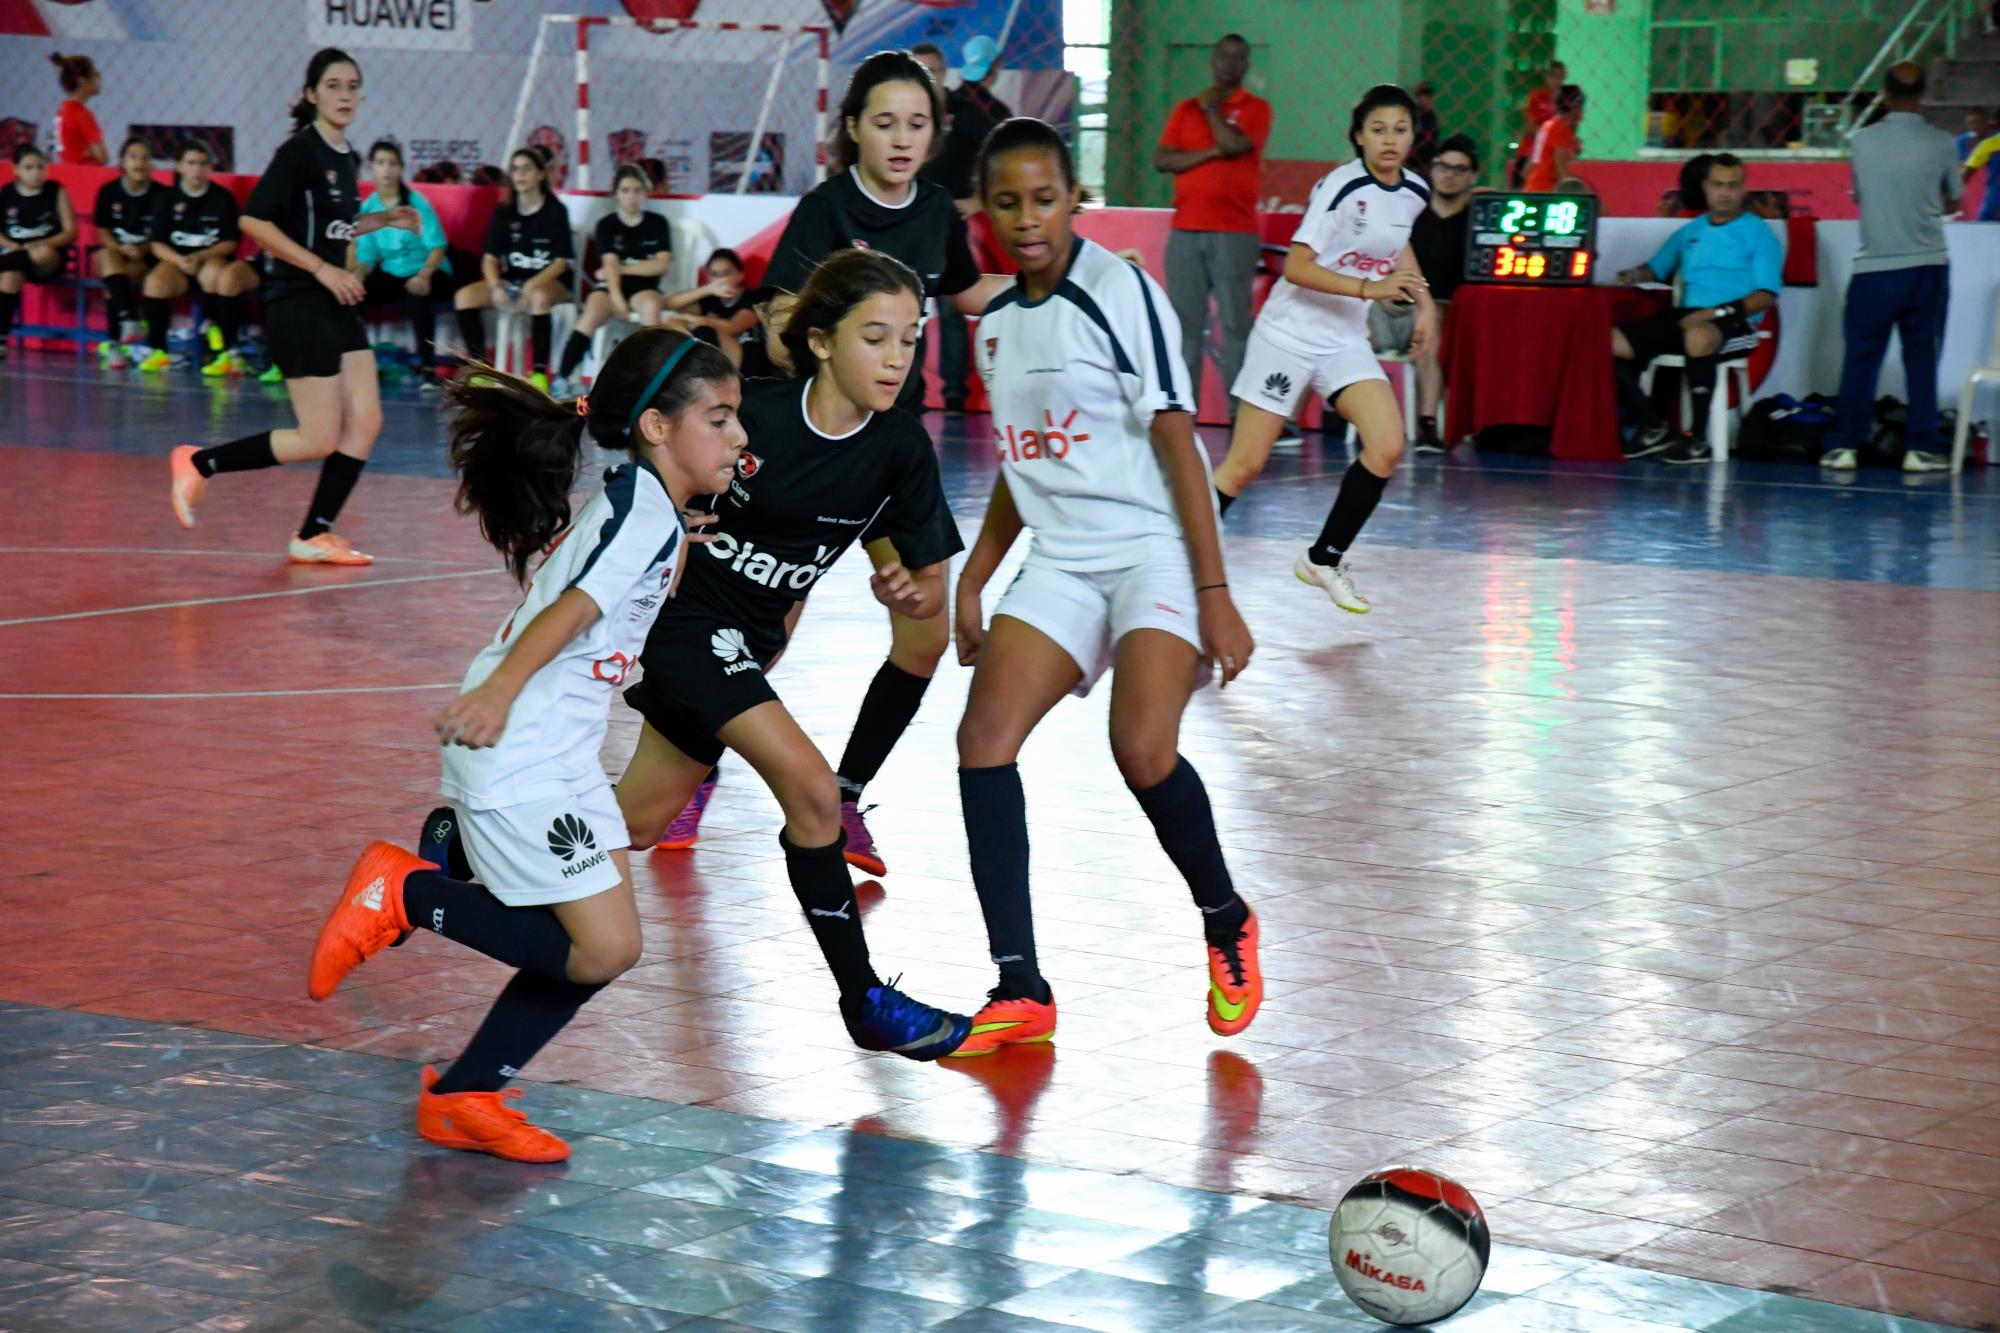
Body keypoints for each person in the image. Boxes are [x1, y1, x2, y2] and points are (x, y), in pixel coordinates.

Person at [307, 329, 744, 1163]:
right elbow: (574, 608)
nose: (738, 435)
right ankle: (408, 892)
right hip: (524, 751)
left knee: (601, 947)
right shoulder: (641, 512)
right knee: (604, 946)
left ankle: (465, 1092)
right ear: (657, 426)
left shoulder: (642, 502)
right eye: (719, 418)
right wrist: (500, 691)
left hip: (560, 752)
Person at [613, 249, 973, 1061]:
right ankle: (866, 1001)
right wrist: (671, 522)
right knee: (813, 795)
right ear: (820, 341)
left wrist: (909, 595)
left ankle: (455, 849)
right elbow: (651, 460)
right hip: (685, 625)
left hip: (749, 646)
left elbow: (920, 584)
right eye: (874, 336)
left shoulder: (900, 452)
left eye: (909, 341)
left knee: (631, 822)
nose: (894, 357)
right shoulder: (754, 415)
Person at [952, 117, 1261, 1055]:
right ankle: (1022, 986)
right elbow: (1024, 463)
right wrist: (975, 575)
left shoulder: (1118, 289)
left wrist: (1212, 590)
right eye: (1008, 202)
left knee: (1142, 748)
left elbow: (1175, 436)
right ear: (986, 210)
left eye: (1044, 198)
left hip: (1154, 547)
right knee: (982, 741)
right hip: (1062, 556)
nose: (1027, 218)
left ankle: (1225, 917)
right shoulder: (996, 328)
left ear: (1074, 196)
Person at [690, 50, 997, 874]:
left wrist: (1076, 284)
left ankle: (848, 793)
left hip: (885, 456)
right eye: (885, 121)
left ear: (937, 135)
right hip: (803, 439)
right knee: (764, 627)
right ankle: (696, 761)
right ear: (853, 128)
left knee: (922, 633)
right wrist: (842, 367)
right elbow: (782, 315)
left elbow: (972, 293)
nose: (902, 138)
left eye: (918, 123)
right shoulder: (827, 209)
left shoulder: (936, 209)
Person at [166, 49, 420, 564]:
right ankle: (200, 462)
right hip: (298, 302)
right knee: (319, 436)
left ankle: (312, 535)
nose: (345, 94)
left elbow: (335, 228)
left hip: (334, 300)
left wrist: (384, 219)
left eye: (353, 85)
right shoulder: (298, 152)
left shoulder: (345, 157)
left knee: (366, 421)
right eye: (333, 85)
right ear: (311, 94)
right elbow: (255, 223)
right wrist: (324, 270)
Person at [1211, 85, 1436, 616]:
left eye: (1400, 130)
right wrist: (1369, 290)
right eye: (1377, 129)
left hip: (1343, 340)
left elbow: (1396, 237)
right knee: (1244, 466)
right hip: (1288, 336)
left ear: (1413, 137)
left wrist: (1422, 301)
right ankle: (1173, 551)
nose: (1389, 139)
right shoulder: (1340, 187)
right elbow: (1296, 266)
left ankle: (1324, 558)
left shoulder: (1414, 191)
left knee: (1385, 445)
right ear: (1358, 136)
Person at [1822, 63, 1963, 474]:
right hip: (1927, 265)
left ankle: (1845, 446)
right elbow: (1953, 202)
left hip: (1874, 267)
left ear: (1884, 94)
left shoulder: (1862, 141)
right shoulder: (1942, 142)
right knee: (1921, 358)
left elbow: (1861, 195)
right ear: (1924, 94)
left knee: (1860, 358)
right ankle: (1921, 448)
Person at [1612, 153, 1783, 466]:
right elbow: (1657, 268)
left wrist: (1714, 314)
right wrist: (1633, 275)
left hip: (1735, 322)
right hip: (1688, 318)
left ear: (1744, 189)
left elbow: (1765, 296)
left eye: (1732, 185)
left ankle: (1697, 439)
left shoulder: (1759, 234)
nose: (1724, 192)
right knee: (1607, 341)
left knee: (1698, 336)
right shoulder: (1690, 232)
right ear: (1705, 187)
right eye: (1718, 184)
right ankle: (1652, 426)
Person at [1155, 34, 1272, 411]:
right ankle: (1180, 411)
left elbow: (1236, 145)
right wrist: (1208, 152)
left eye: (1237, 58)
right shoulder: (1184, 109)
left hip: (1233, 232)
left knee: (1236, 326)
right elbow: (1163, 160)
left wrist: (1212, 112)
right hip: (1186, 230)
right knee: (1184, 326)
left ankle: (1241, 414)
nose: (1228, 64)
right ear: (1213, 60)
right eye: (1222, 56)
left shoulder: (1256, 108)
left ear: (1246, 64)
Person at [918, 34, 1013, 414]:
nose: (927, 78)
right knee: (906, 306)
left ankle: (953, 391)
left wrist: (979, 200)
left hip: (950, 220)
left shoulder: (965, 110)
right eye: (919, 71)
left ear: (945, 73)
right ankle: (909, 390)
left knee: (953, 304)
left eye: (933, 71)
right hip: (908, 217)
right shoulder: (898, 111)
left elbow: (1001, 151)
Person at [1370, 132, 1476, 454]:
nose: (1449, 175)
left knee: (1434, 320)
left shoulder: (1476, 220)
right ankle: (1332, 413)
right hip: (1393, 307)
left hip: (1440, 313)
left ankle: (1427, 422)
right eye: (1444, 166)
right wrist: (1381, 293)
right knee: (1343, 312)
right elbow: (1379, 258)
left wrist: (1427, 307)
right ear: (1432, 169)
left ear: (1473, 176)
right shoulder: (1409, 212)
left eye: (1459, 169)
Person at [453, 146, 574, 391]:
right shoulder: (504, 211)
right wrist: (496, 286)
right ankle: (481, 369)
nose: (520, 175)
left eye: (527, 169)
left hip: (548, 283)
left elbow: (561, 262)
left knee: (539, 298)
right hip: (513, 282)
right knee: (463, 297)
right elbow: (489, 258)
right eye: (515, 169)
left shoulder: (555, 211)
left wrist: (530, 286)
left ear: (541, 174)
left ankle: (540, 374)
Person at [137, 140, 259, 377]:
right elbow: (157, 243)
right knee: (154, 283)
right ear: (180, 167)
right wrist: (180, 260)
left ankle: (219, 341)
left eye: (203, 164)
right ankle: (158, 350)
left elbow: (230, 242)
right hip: (178, 262)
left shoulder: (222, 198)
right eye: (191, 163)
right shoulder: (166, 198)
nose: (197, 169)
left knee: (216, 275)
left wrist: (200, 256)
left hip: (209, 259)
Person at [351, 138, 466, 383]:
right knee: (354, 291)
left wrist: (424, 274)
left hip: (430, 268)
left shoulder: (416, 202)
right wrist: (359, 273)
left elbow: (437, 246)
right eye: (381, 163)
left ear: (401, 169)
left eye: (392, 163)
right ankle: (358, 363)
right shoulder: (370, 207)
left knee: (417, 292)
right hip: (393, 271)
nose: (386, 169)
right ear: (371, 167)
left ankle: (428, 369)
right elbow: (367, 256)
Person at [555, 164, 672, 393]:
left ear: (645, 193)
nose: (631, 196)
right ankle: (562, 376)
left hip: (644, 287)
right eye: (625, 190)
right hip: (611, 287)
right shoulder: (607, 225)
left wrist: (623, 268)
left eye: (637, 190)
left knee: (651, 308)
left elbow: (661, 264)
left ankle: (651, 379)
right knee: (592, 311)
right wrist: (617, 296)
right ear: (616, 194)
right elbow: (608, 266)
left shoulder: (657, 223)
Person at [91, 136, 164, 368]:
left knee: (115, 282)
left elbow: (161, 236)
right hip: (117, 252)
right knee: (106, 258)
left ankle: (114, 341)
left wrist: (141, 249)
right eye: (133, 157)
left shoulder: (162, 194)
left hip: (145, 257)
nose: (139, 163)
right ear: (122, 162)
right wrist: (121, 248)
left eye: (145, 158)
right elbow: (103, 233)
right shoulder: (108, 192)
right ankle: (130, 320)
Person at [0, 144, 77, 356]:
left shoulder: (55, 190)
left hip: (48, 259)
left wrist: (45, 243)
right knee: (10, 277)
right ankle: (1, 339)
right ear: (15, 169)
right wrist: (11, 245)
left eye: (40, 167)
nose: (36, 172)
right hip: (15, 256)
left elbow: (71, 231)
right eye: (29, 167)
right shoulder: (6, 194)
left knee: (41, 253)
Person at [662, 246, 772, 376]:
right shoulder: (710, 300)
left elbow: (732, 327)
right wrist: (707, 289)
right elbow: (667, 305)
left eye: (726, 273)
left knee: (706, 331)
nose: (720, 280)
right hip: (715, 360)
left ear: (740, 275)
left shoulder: (754, 297)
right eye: (714, 274)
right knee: (674, 323)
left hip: (750, 360)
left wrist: (692, 319)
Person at [1513, 60, 1565, 188]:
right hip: (1530, 150)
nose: (1558, 82)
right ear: (1547, 77)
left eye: (1561, 78)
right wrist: (1549, 138)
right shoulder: (1537, 96)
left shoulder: (1565, 101)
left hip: (1551, 155)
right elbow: (1530, 128)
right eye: (1555, 77)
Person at [49, 53, 107, 167]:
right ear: (82, 80)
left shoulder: (62, 110)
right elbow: (103, 156)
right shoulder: (81, 114)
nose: (99, 77)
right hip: (86, 176)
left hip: (67, 173)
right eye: (95, 74)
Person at [1524, 85, 1583, 193]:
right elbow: (1563, 176)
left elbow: (1527, 170)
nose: (1582, 115)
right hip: (1547, 192)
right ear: (1576, 108)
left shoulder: (1546, 126)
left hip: (1532, 189)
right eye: (1581, 108)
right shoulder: (1560, 129)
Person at [1962, 121, 2000, 223]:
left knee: (1984, 226)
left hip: (1995, 198)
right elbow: (1967, 172)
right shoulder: (1990, 144)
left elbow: (1966, 174)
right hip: (1995, 197)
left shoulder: (1989, 144)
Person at [1411, 82, 1441, 174]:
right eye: (1424, 95)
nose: (1427, 99)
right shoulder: (1413, 115)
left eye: (1429, 96)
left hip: (1427, 164)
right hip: (1412, 163)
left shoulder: (1431, 116)